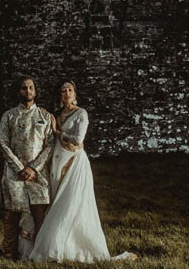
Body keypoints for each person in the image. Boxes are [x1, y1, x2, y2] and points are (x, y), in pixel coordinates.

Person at [22, 81, 135, 262]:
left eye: (70, 90)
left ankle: (61, 249)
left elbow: (78, 139)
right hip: (56, 164)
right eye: (63, 91)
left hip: (74, 164)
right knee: (55, 204)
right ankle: (59, 246)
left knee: (69, 205)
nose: (66, 93)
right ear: (59, 95)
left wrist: (58, 132)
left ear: (75, 93)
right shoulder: (57, 115)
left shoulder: (81, 113)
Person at [0, 76, 54, 261]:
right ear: (18, 92)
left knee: (40, 215)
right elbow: (3, 144)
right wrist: (20, 168)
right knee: (11, 216)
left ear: (35, 91)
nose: (28, 91)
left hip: (38, 174)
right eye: (24, 88)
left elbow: (50, 145)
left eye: (31, 88)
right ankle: (9, 256)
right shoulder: (8, 116)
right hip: (14, 174)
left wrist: (34, 168)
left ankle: (38, 255)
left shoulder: (45, 116)